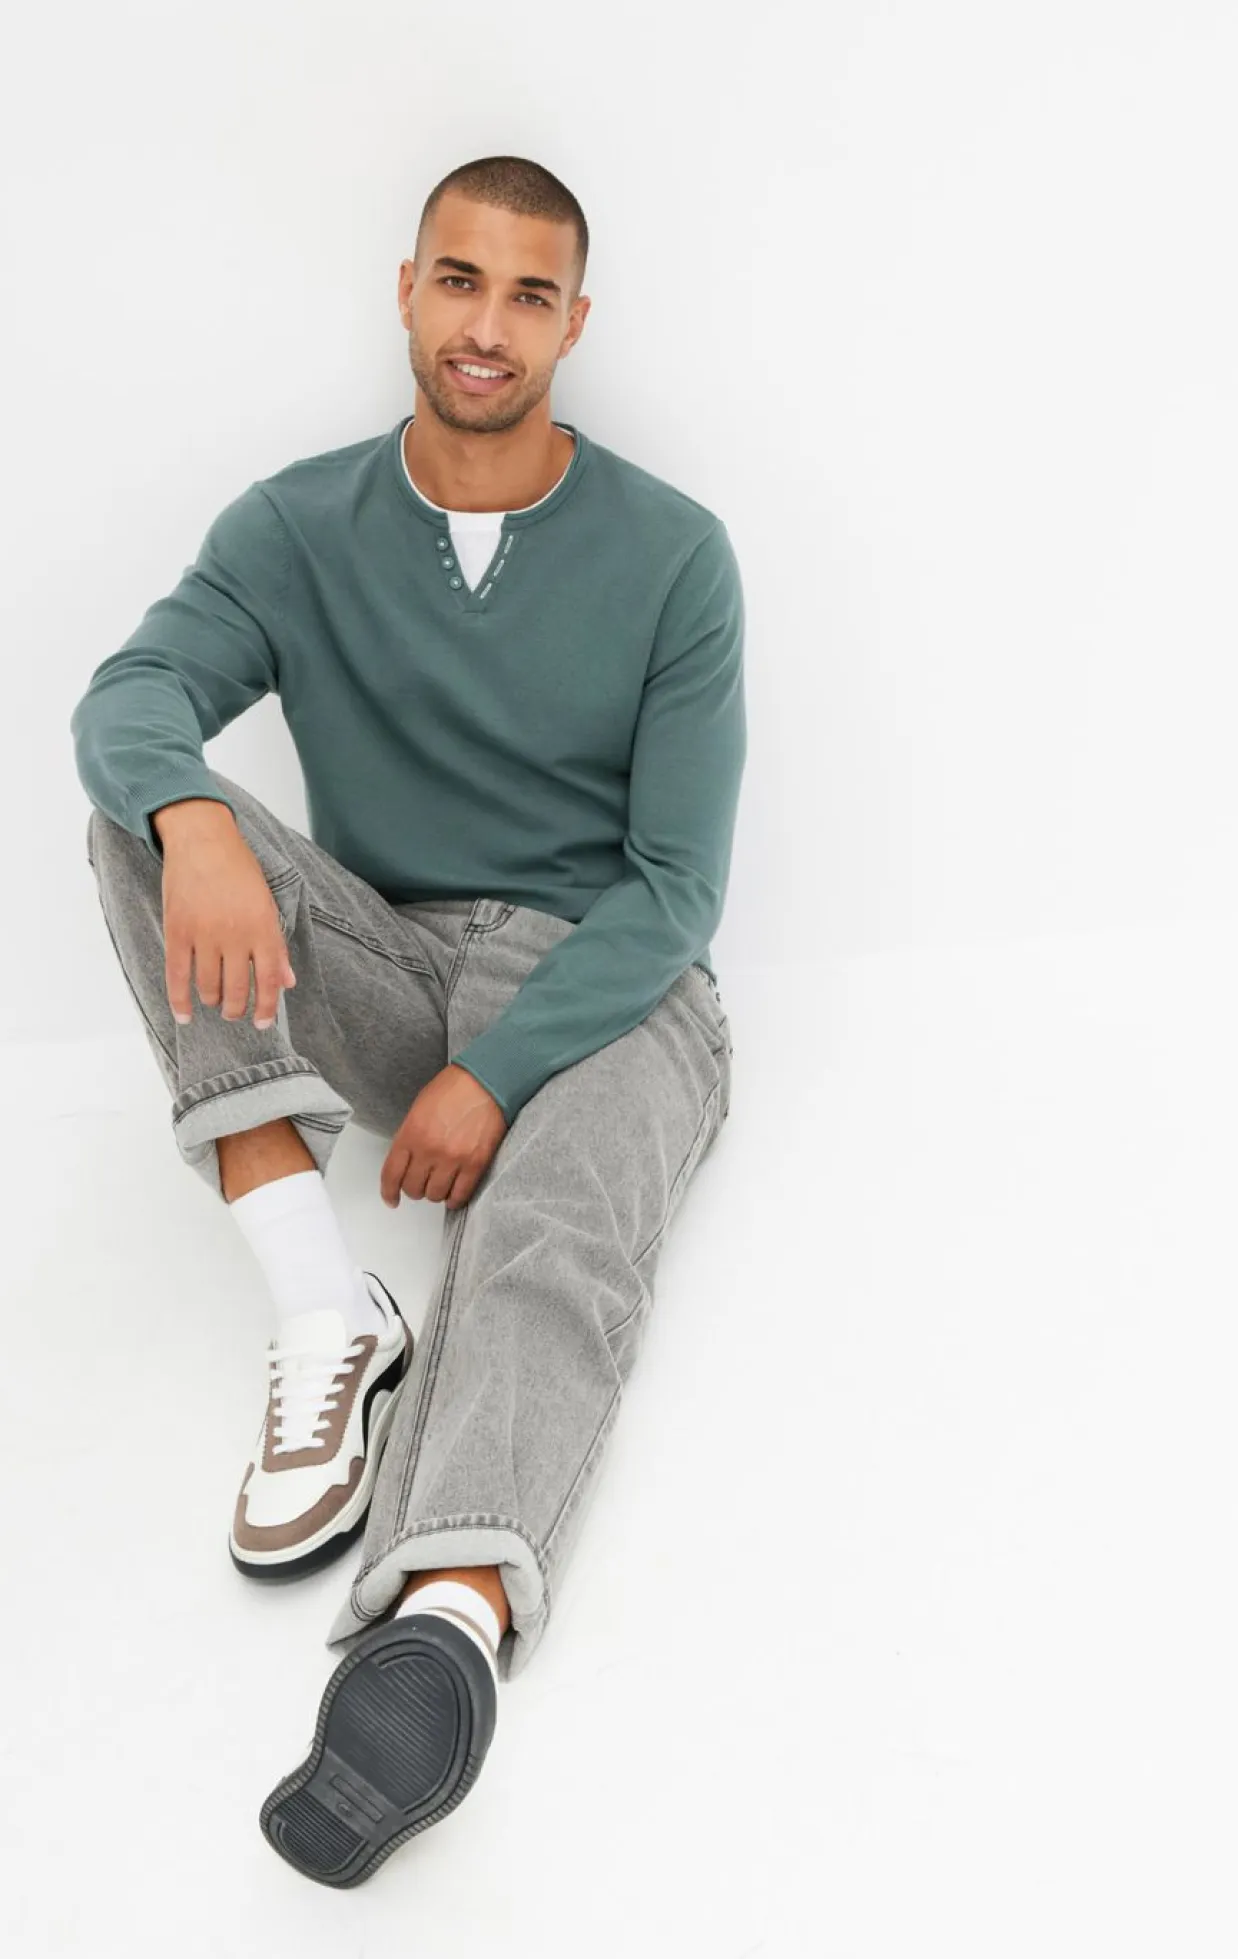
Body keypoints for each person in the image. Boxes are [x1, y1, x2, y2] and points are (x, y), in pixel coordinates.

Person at [70, 153, 745, 1888]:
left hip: (614, 985)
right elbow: (131, 697)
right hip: (390, 957)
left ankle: (444, 1618)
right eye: (460, 280)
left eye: (529, 294)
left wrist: (493, 1075)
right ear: (407, 291)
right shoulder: (294, 526)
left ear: (573, 323)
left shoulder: (677, 554)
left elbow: (675, 889)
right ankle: (325, 1306)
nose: (487, 326)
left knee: (549, 1233)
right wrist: (195, 816)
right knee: (138, 820)